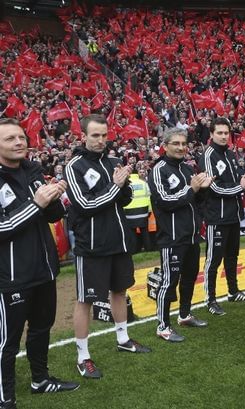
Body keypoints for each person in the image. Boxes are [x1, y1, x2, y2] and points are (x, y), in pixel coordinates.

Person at [64, 114, 151, 380]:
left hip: (120, 240)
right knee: (85, 299)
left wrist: (124, 184)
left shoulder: (114, 161)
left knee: (119, 290)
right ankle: (83, 356)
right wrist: (115, 186)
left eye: (104, 135)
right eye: (95, 135)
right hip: (92, 246)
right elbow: (85, 205)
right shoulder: (74, 166)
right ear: (84, 137)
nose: (101, 140)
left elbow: (122, 200)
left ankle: (123, 339)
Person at [0, 119, 79, 409]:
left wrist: (55, 197)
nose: (19, 142)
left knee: (41, 329)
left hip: (44, 270)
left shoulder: (33, 171)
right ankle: (5, 398)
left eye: (21, 137)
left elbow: (52, 216)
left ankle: (40, 380)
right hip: (11, 276)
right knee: (7, 342)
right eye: (10, 139)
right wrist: (36, 203)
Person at [148, 128, 213, 342]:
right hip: (172, 238)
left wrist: (203, 189)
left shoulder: (186, 169)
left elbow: (195, 202)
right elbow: (165, 201)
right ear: (165, 146)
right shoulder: (159, 170)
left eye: (183, 143)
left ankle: (184, 315)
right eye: (175, 143)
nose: (180, 147)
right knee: (169, 282)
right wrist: (192, 189)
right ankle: (162, 326)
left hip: (192, 236)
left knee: (189, 278)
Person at [198, 117, 245, 316]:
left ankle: (233, 292)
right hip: (217, 217)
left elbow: (237, 177)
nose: (224, 136)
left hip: (233, 215)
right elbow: (213, 187)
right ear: (212, 134)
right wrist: (240, 186)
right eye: (220, 133)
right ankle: (210, 299)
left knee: (232, 256)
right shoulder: (208, 155)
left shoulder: (231, 154)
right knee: (213, 260)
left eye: (226, 133)